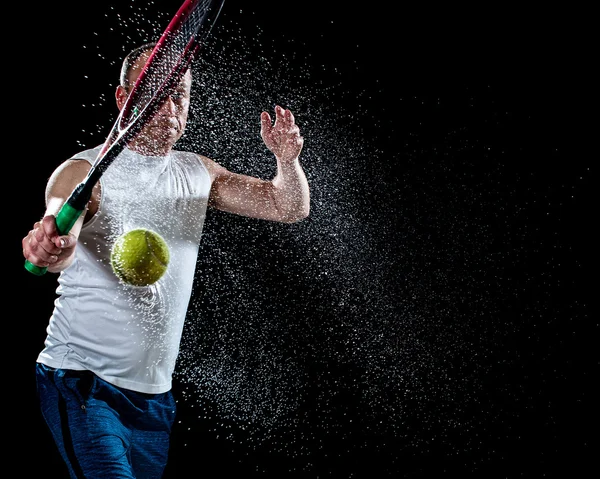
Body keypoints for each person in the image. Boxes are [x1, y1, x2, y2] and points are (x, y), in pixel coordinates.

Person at [21, 42, 309, 478]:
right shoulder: (84, 172)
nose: (171, 104)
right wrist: (51, 244)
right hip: (83, 383)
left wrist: (287, 162)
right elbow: (61, 226)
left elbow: (287, 207)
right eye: (156, 91)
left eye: (180, 94)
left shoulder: (198, 173)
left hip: (154, 397)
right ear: (124, 100)